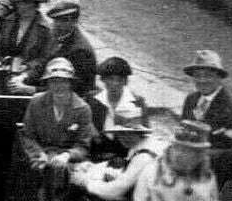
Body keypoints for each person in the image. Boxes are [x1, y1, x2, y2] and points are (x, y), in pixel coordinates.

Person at [20, 57, 95, 201]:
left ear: (70, 83)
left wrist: (66, 155)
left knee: (62, 174)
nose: (59, 86)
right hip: (39, 155)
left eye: (64, 81)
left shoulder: (83, 108)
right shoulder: (36, 102)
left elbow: (83, 146)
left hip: (68, 161)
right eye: (54, 81)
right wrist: (38, 153)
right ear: (47, 83)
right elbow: (27, 136)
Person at [181, 49, 232, 188]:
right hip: (184, 166)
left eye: (208, 75)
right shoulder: (191, 99)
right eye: (197, 75)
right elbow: (182, 130)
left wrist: (202, 155)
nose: (202, 80)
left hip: (214, 175)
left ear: (219, 77)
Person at [70, 121, 160, 200]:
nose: (125, 138)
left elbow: (117, 189)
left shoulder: (144, 155)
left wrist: (85, 182)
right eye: (121, 133)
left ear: (141, 133)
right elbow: (128, 172)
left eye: (131, 133)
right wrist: (95, 166)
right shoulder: (144, 145)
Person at [132, 120, 218, 201]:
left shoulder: (207, 176)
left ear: (199, 155)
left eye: (186, 150)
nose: (178, 154)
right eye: (176, 147)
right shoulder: (152, 171)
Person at [0, 0, 56, 94]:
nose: (22, 6)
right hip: (4, 70)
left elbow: (43, 60)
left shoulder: (45, 30)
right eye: (20, 2)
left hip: (30, 75)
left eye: (27, 3)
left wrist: (24, 75)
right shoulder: (7, 21)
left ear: (35, 4)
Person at [89, 57, 149, 162]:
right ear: (103, 80)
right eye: (110, 79)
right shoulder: (92, 100)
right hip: (95, 156)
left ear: (125, 82)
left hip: (125, 157)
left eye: (119, 80)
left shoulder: (137, 103)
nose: (114, 84)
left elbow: (144, 136)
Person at [40, 0, 97, 96]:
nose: (57, 24)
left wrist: (33, 90)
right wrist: (25, 77)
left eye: (63, 21)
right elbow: (43, 62)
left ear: (73, 21)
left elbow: (76, 88)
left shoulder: (80, 50)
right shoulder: (55, 35)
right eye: (56, 20)